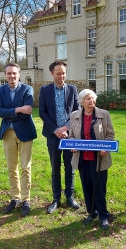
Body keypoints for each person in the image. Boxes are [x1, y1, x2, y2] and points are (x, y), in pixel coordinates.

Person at [69, 89, 115, 230]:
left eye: (93, 98)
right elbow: (71, 135)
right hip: (83, 158)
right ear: (82, 101)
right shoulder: (74, 115)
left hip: (99, 159)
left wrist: (106, 148)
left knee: (99, 188)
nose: (91, 101)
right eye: (88, 99)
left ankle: (103, 215)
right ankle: (91, 212)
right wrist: (72, 146)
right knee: (87, 187)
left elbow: (110, 135)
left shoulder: (103, 114)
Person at [0, 63, 37, 217]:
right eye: (9, 74)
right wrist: (18, 109)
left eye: (14, 73)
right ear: (5, 75)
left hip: (25, 132)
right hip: (8, 133)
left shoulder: (27, 89)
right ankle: (15, 198)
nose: (12, 76)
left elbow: (28, 111)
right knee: (12, 167)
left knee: (25, 167)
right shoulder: (0, 91)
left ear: (19, 74)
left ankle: (26, 199)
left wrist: (9, 112)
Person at [39, 60, 80, 214]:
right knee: (55, 168)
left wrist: (66, 127)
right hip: (53, 135)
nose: (62, 76)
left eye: (63, 73)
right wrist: (56, 129)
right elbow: (42, 112)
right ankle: (56, 198)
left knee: (70, 167)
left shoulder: (72, 89)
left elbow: (77, 110)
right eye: (58, 73)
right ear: (52, 73)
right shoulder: (44, 90)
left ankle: (70, 196)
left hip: (69, 135)